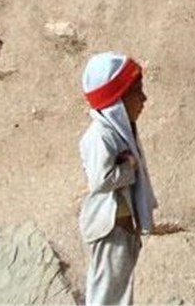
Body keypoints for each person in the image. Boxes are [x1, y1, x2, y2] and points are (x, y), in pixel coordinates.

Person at [79, 52, 158, 305]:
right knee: (107, 294)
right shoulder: (100, 136)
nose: (143, 99)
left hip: (121, 225)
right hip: (108, 225)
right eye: (137, 92)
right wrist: (129, 168)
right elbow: (101, 179)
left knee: (118, 291)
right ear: (118, 100)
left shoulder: (120, 132)